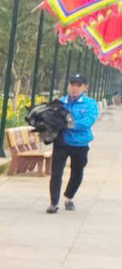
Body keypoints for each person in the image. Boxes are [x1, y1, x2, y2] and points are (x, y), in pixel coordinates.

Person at [48, 72, 98, 213]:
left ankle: (69, 197)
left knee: (77, 173)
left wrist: (68, 124)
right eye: (72, 84)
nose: (74, 88)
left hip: (80, 144)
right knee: (56, 173)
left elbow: (88, 121)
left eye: (78, 85)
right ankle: (54, 203)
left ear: (84, 87)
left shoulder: (90, 104)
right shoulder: (60, 103)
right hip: (61, 143)